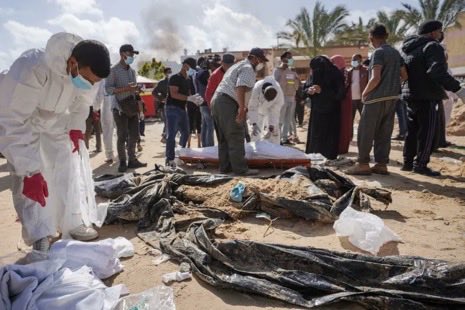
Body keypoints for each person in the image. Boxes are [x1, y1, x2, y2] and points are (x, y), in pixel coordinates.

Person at [0, 32, 111, 251]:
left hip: (56, 122)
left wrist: (76, 128)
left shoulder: (89, 75)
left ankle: (72, 221)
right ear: (72, 63)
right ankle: (39, 233)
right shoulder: (32, 66)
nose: (90, 84)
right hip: (25, 122)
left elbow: (82, 100)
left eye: (94, 82)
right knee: (29, 182)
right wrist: (29, 170)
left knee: (65, 170)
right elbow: (12, 120)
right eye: (88, 79)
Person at [400, 20, 465, 176]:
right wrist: (458, 89)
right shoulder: (433, 46)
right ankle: (421, 164)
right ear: (432, 33)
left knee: (412, 131)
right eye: (439, 31)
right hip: (428, 95)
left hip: (410, 94)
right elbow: (437, 72)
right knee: (428, 132)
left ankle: (407, 163)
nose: (440, 34)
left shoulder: (408, 49)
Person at [347, 24, 408, 175]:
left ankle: (363, 164)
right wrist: (391, 86)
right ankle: (381, 164)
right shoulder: (395, 53)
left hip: (375, 99)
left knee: (365, 131)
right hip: (392, 98)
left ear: (371, 37)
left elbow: (375, 77)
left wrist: (365, 93)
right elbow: (405, 75)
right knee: (384, 132)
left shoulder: (378, 53)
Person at [211, 48, 269, 175]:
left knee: (224, 138)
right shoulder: (248, 68)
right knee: (235, 135)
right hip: (227, 102)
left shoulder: (237, 66)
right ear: (253, 57)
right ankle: (240, 169)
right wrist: (242, 108)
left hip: (217, 101)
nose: (261, 63)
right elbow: (240, 87)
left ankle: (225, 167)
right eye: (260, 60)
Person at [106, 44, 147, 173]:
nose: (132, 57)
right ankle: (123, 162)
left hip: (131, 106)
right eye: (130, 54)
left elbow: (133, 89)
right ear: (122, 54)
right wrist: (127, 89)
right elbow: (108, 89)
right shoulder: (113, 70)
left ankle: (132, 160)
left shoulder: (132, 71)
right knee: (122, 135)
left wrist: (136, 89)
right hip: (119, 108)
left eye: (133, 55)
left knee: (134, 135)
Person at [304, 56, 345, 160]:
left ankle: (328, 155)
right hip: (317, 111)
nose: (316, 72)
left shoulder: (336, 74)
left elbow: (340, 94)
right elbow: (304, 89)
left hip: (332, 112)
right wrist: (309, 91)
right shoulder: (314, 74)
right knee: (316, 134)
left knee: (329, 135)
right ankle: (314, 154)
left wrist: (323, 91)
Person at [165, 58, 202, 167]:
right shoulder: (175, 78)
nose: (192, 70)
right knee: (171, 134)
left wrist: (196, 99)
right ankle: (170, 159)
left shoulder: (189, 79)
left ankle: (178, 154)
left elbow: (189, 93)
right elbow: (174, 94)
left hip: (182, 109)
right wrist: (189, 98)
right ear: (185, 65)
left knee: (186, 132)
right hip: (172, 108)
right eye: (191, 68)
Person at [274, 51, 301, 145]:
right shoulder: (277, 71)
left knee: (288, 119)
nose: (290, 60)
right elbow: (276, 84)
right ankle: (277, 138)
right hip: (282, 97)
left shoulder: (292, 71)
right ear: (282, 59)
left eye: (291, 58)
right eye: (288, 57)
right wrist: (283, 71)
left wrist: (295, 77)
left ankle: (285, 138)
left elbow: (296, 83)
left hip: (291, 97)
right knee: (280, 119)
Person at [247, 76, 284, 144]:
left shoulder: (279, 92)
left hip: (270, 111)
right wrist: (254, 123)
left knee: (274, 134)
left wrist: (271, 126)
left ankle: (274, 150)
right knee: (255, 134)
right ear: (263, 91)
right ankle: (255, 150)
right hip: (258, 111)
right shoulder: (257, 88)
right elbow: (252, 107)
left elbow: (275, 111)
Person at [331, 55, 352, 154]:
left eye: (333, 62)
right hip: (340, 101)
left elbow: (344, 87)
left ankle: (342, 148)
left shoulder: (344, 72)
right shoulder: (337, 72)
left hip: (344, 101)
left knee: (344, 124)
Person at [195, 57, 214, 147]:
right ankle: (210, 146)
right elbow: (209, 87)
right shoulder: (205, 73)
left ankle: (205, 145)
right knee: (210, 125)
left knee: (205, 125)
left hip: (201, 102)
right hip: (206, 102)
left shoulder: (198, 73)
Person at [153, 67, 171, 143]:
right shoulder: (162, 83)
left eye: (170, 72)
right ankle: (165, 137)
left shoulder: (174, 81)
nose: (170, 74)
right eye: (168, 72)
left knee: (169, 121)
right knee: (167, 121)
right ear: (165, 73)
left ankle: (165, 135)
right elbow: (154, 92)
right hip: (165, 105)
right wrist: (161, 99)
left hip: (173, 104)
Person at [84, 81, 104, 152]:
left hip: (92, 106)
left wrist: (96, 108)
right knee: (93, 129)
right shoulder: (100, 81)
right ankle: (95, 147)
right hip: (92, 106)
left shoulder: (100, 81)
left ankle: (89, 147)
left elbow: (100, 95)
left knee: (90, 129)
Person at [101, 80, 116, 163]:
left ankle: (109, 155)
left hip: (106, 109)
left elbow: (99, 96)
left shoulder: (102, 81)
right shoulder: (115, 79)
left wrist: (95, 108)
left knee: (107, 133)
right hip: (117, 108)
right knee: (120, 131)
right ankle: (121, 153)